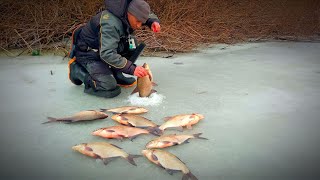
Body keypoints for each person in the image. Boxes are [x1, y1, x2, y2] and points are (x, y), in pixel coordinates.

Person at [68, 0, 160, 98]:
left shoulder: (129, 7)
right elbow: (107, 53)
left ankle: (116, 73)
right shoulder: (111, 24)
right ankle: (77, 70)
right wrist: (132, 69)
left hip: (104, 48)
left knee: (132, 45)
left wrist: (152, 21)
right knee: (109, 88)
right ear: (129, 13)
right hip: (89, 54)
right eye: (137, 21)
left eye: (142, 22)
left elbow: (145, 13)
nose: (139, 25)